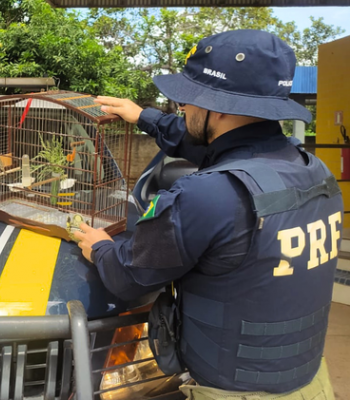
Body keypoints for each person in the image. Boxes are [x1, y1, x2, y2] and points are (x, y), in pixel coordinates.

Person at [74, 29, 342, 399]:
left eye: (187, 99)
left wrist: (101, 247)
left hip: (232, 392)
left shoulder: (206, 196)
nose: (181, 108)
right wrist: (143, 117)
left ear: (218, 107)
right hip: (311, 383)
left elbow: (128, 277)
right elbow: (214, 146)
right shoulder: (314, 171)